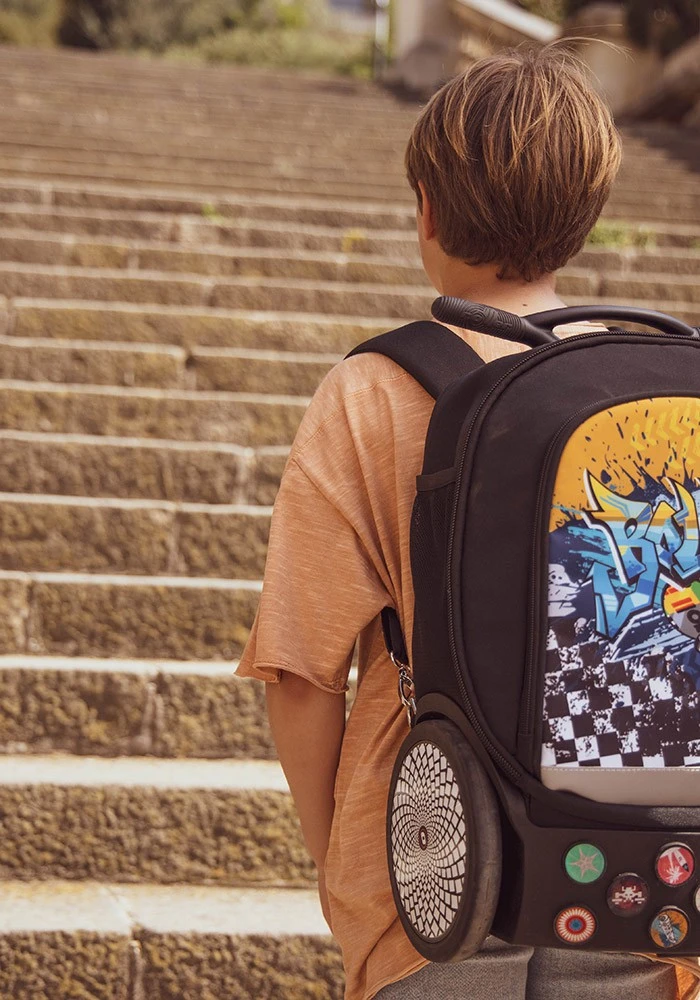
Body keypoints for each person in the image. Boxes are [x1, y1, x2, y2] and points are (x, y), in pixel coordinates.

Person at [236, 45, 698, 1000]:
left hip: (439, 876)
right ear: (586, 212)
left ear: (428, 210)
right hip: (649, 879)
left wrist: (345, 863)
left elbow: (303, 673)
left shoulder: (372, 393)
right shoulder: (665, 394)